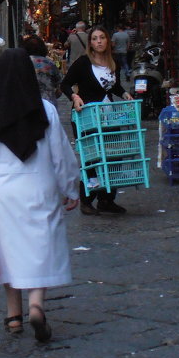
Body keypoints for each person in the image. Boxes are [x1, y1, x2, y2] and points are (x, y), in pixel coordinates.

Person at [0, 49, 79, 341]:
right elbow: (61, 156)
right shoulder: (47, 111)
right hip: (39, 187)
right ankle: (37, 304)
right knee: (40, 248)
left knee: (7, 250)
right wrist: (70, 187)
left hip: (1, 192)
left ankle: (13, 313)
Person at [59, 25, 134, 216]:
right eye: (95, 38)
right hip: (86, 117)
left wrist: (124, 93)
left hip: (108, 115)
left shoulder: (112, 62)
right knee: (92, 157)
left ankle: (107, 199)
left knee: (113, 156)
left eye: (102, 38)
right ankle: (86, 199)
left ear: (108, 41)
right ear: (90, 43)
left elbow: (113, 86)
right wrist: (74, 97)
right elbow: (65, 83)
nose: (98, 41)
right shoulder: (83, 63)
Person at [20, 34, 62, 107]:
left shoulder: (21, 62)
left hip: (27, 104)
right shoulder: (49, 63)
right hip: (48, 103)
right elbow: (59, 85)